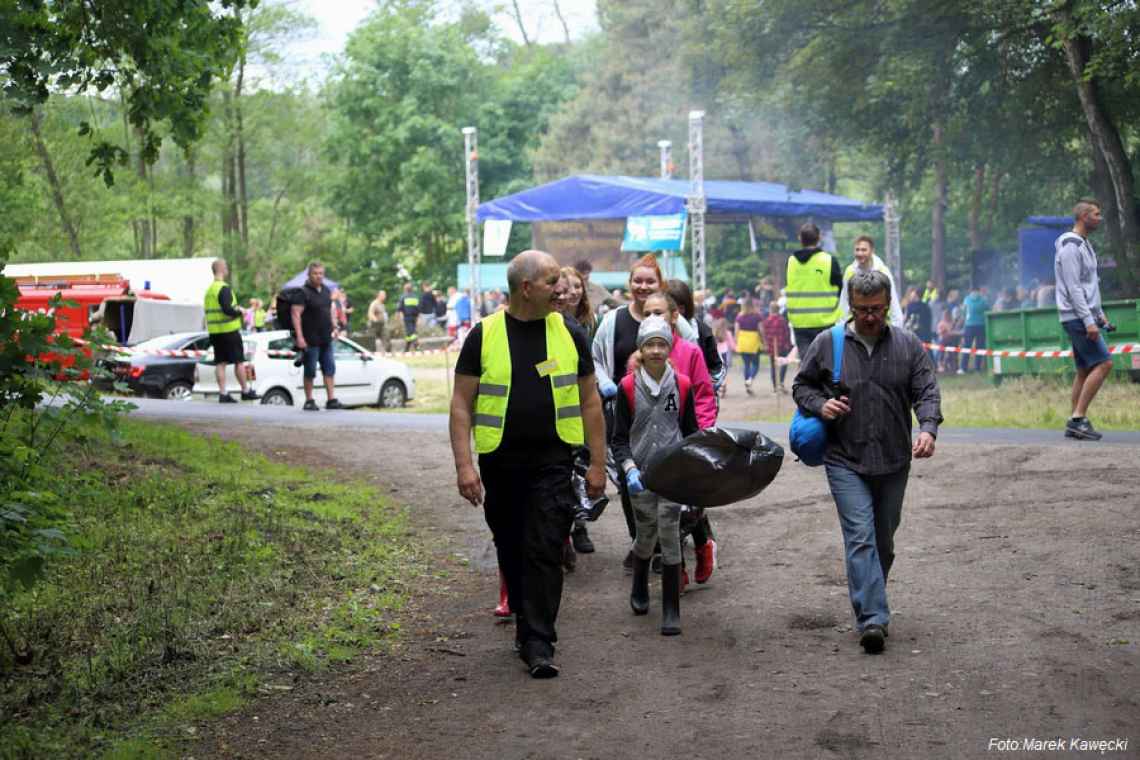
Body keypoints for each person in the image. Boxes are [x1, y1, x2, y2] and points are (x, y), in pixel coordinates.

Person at [449, 250, 606, 679]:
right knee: (512, 545)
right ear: (527, 288)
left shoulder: (570, 333)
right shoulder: (483, 335)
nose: (563, 288)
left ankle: (539, 641)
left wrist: (597, 463)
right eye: (553, 281)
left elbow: (591, 400)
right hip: (501, 464)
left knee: (544, 547)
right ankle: (524, 617)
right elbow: (462, 404)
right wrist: (465, 466)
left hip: (554, 462)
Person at [792, 269, 942, 654]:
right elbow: (801, 385)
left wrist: (927, 428)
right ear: (851, 306)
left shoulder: (908, 345)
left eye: (876, 309)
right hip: (845, 458)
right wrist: (820, 404)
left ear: (888, 304)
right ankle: (872, 619)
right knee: (860, 538)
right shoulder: (829, 343)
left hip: (893, 459)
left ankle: (871, 594)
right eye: (862, 310)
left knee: (883, 542)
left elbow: (926, 390)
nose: (870, 317)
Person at [591, 255, 698, 563]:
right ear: (629, 283)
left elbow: (693, 356)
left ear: (660, 284)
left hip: (665, 407)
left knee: (668, 488)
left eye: (649, 281)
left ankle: (661, 549)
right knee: (630, 484)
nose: (643, 286)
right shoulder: (614, 321)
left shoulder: (675, 322)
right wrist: (606, 385)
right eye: (637, 280)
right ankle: (641, 542)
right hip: (625, 407)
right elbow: (596, 358)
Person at [611, 315, 700, 635]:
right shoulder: (628, 387)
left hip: (672, 475)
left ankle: (671, 610)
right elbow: (618, 438)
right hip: (641, 474)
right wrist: (629, 468)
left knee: (670, 534)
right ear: (641, 349)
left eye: (662, 344)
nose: (656, 351)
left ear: (670, 347)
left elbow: (691, 434)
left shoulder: (683, 385)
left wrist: (692, 475)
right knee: (646, 533)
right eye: (650, 344)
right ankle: (639, 585)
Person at [1055, 199, 1115, 441]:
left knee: (1083, 370)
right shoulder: (1070, 245)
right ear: (1083, 217)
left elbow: (1090, 285)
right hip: (1076, 316)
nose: (1100, 218)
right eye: (1096, 214)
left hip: (1083, 315)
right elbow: (1073, 287)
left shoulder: (1084, 244)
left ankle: (1074, 420)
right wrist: (1089, 321)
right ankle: (1078, 419)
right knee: (1104, 363)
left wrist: (1099, 315)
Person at [555, 266, 603, 560]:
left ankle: (579, 525)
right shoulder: (549, 323)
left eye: (576, 287)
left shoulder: (588, 324)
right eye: (564, 287)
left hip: (582, 404)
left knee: (581, 467)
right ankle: (563, 534)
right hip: (559, 409)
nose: (570, 292)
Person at [203, 259, 258, 403]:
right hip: (229, 331)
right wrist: (240, 311)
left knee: (220, 363)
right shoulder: (223, 288)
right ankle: (245, 391)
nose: (227, 269)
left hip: (215, 332)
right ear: (221, 269)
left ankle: (223, 393)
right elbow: (227, 309)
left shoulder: (209, 290)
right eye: (226, 267)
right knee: (239, 361)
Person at [786, 222, 843, 357]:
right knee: (825, 364)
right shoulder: (829, 261)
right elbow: (840, 288)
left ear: (800, 238)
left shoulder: (791, 262)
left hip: (800, 322)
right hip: (825, 321)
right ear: (819, 238)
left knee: (807, 364)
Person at [290, 261, 341, 411]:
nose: (319, 276)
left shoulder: (325, 290)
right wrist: (299, 337)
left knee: (329, 369)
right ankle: (309, 400)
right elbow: (295, 315)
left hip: (326, 338)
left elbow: (329, 310)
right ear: (309, 275)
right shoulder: (302, 292)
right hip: (309, 340)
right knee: (310, 371)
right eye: (315, 273)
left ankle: (331, 399)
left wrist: (335, 326)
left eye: (321, 274)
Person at [836, 236, 904, 328]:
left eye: (864, 250)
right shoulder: (850, 271)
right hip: (857, 327)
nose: (860, 253)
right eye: (857, 250)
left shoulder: (883, 272)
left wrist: (897, 329)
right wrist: (840, 328)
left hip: (880, 326)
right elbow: (844, 302)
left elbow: (893, 302)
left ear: (872, 251)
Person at [735, 298, 764, 394]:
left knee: (746, 364)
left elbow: (736, 331)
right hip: (753, 341)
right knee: (755, 364)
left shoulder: (739, 316)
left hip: (742, 341)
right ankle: (750, 380)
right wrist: (764, 340)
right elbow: (761, 330)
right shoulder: (757, 316)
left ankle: (747, 383)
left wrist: (736, 342)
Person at [762, 302, 792, 393]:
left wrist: (766, 344)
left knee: (773, 366)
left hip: (771, 347)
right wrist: (788, 343)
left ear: (770, 309)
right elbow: (787, 333)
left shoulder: (766, 321)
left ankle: (775, 386)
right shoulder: (782, 320)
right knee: (783, 364)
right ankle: (781, 382)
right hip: (782, 345)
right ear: (778, 310)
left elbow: (765, 334)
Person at [959, 285, 989, 373]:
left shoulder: (966, 299)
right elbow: (988, 310)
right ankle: (977, 368)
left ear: (970, 291)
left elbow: (963, 312)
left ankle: (963, 368)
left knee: (966, 346)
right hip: (980, 325)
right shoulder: (983, 300)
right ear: (979, 291)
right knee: (979, 347)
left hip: (969, 326)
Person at [398, 283, 420, 351]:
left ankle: (416, 344)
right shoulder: (415, 297)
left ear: (405, 289)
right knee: (409, 333)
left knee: (411, 332)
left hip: (407, 317)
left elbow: (400, 308)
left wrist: (401, 317)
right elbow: (418, 309)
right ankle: (406, 349)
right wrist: (418, 318)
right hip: (415, 317)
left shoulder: (403, 297)